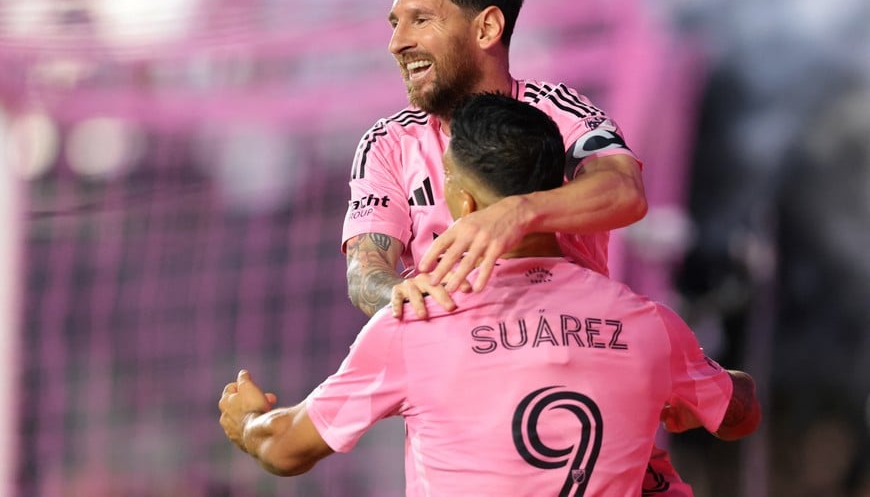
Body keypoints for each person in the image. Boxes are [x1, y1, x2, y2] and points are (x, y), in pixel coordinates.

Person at [219, 93, 762, 495]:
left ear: (465, 206)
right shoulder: (649, 326)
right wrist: (703, 390)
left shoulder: (416, 326)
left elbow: (286, 448)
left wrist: (246, 423)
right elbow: (738, 413)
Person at [341, 0, 684, 494]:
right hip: (471, 413)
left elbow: (624, 190)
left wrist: (516, 214)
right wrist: (403, 298)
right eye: (394, 24)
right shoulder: (388, 143)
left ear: (487, 28)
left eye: (420, 20)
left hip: (583, 366)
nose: (397, 42)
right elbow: (366, 270)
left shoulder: (556, 109)